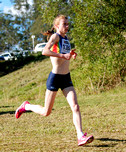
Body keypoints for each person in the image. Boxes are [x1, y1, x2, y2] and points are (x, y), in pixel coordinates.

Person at [15, 15, 94, 146]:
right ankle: (26, 106)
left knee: (75, 106)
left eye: (68, 24)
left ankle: (80, 135)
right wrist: (62, 55)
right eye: (64, 24)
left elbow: (64, 55)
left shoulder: (66, 38)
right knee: (46, 112)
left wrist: (71, 54)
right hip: (55, 78)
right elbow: (45, 51)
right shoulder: (55, 37)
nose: (67, 26)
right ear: (57, 26)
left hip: (66, 77)